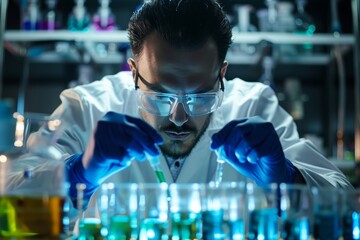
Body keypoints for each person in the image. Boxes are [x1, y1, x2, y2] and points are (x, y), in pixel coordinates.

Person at [28, 0, 352, 212]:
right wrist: (80, 172)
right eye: (159, 95)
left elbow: (347, 203)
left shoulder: (254, 105)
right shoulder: (87, 106)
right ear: (133, 72)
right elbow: (11, 193)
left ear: (221, 74)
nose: (179, 118)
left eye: (199, 96)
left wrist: (286, 178)